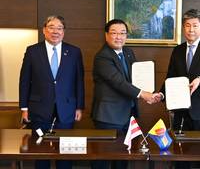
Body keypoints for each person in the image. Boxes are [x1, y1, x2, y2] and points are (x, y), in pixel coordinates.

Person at [91, 19, 160, 169]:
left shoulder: (128, 52)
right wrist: (144, 94)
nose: (118, 37)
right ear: (106, 35)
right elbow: (118, 82)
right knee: (102, 158)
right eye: (114, 33)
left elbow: (136, 78)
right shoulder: (102, 57)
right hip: (108, 116)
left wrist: (148, 92)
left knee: (123, 156)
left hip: (128, 114)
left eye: (122, 33)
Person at [19, 15, 85, 169]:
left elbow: (79, 81)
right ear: (44, 30)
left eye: (59, 28)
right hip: (39, 109)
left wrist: (79, 107)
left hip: (67, 109)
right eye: (51, 27)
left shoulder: (74, 51)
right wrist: (24, 108)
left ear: (64, 31)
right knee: (41, 152)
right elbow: (24, 81)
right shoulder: (32, 51)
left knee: (65, 153)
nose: (56, 31)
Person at [155, 9, 200, 169]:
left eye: (195, 25)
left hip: (199, 112)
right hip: (181, 112)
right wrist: (161, 94)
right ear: (183, 28)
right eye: (187, 25)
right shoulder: (178, 50)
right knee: (181, 156)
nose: (191, 29)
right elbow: (170, 77)